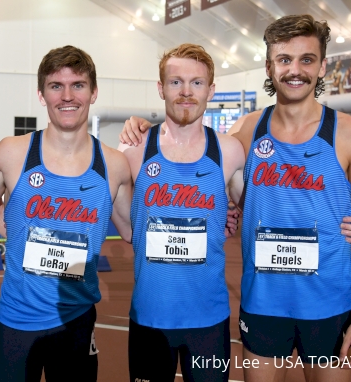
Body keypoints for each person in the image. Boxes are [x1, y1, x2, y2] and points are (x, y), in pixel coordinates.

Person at [119, 14, 351, 382]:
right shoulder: (247, 130)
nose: (295, 70)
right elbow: (208, 169)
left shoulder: (349, 133)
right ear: (269, 67)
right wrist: (140, 125)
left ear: (322, 65)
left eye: (306, 59)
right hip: (262, 303)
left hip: (328, 299)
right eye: (284, 59)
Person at [0, 45, 133, 382]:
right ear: (41, 94)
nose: (67, 96)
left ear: (93, 92)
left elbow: (133, 230)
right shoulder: (12, 153)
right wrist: (11, 227)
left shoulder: (114, 164)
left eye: (78, 85)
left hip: (76, 323)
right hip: (16, 323)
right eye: (56, 86)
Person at [118, 43, 244, 382]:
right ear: (161, 89)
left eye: (197, 83)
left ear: (211, 90)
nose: (186, 92)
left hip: (209, 321)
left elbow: (265, 206)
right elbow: (123, 221)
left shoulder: (229, 151)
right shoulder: (134, 148)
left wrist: (336, 223)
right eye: (176, 82)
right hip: (150, 317)